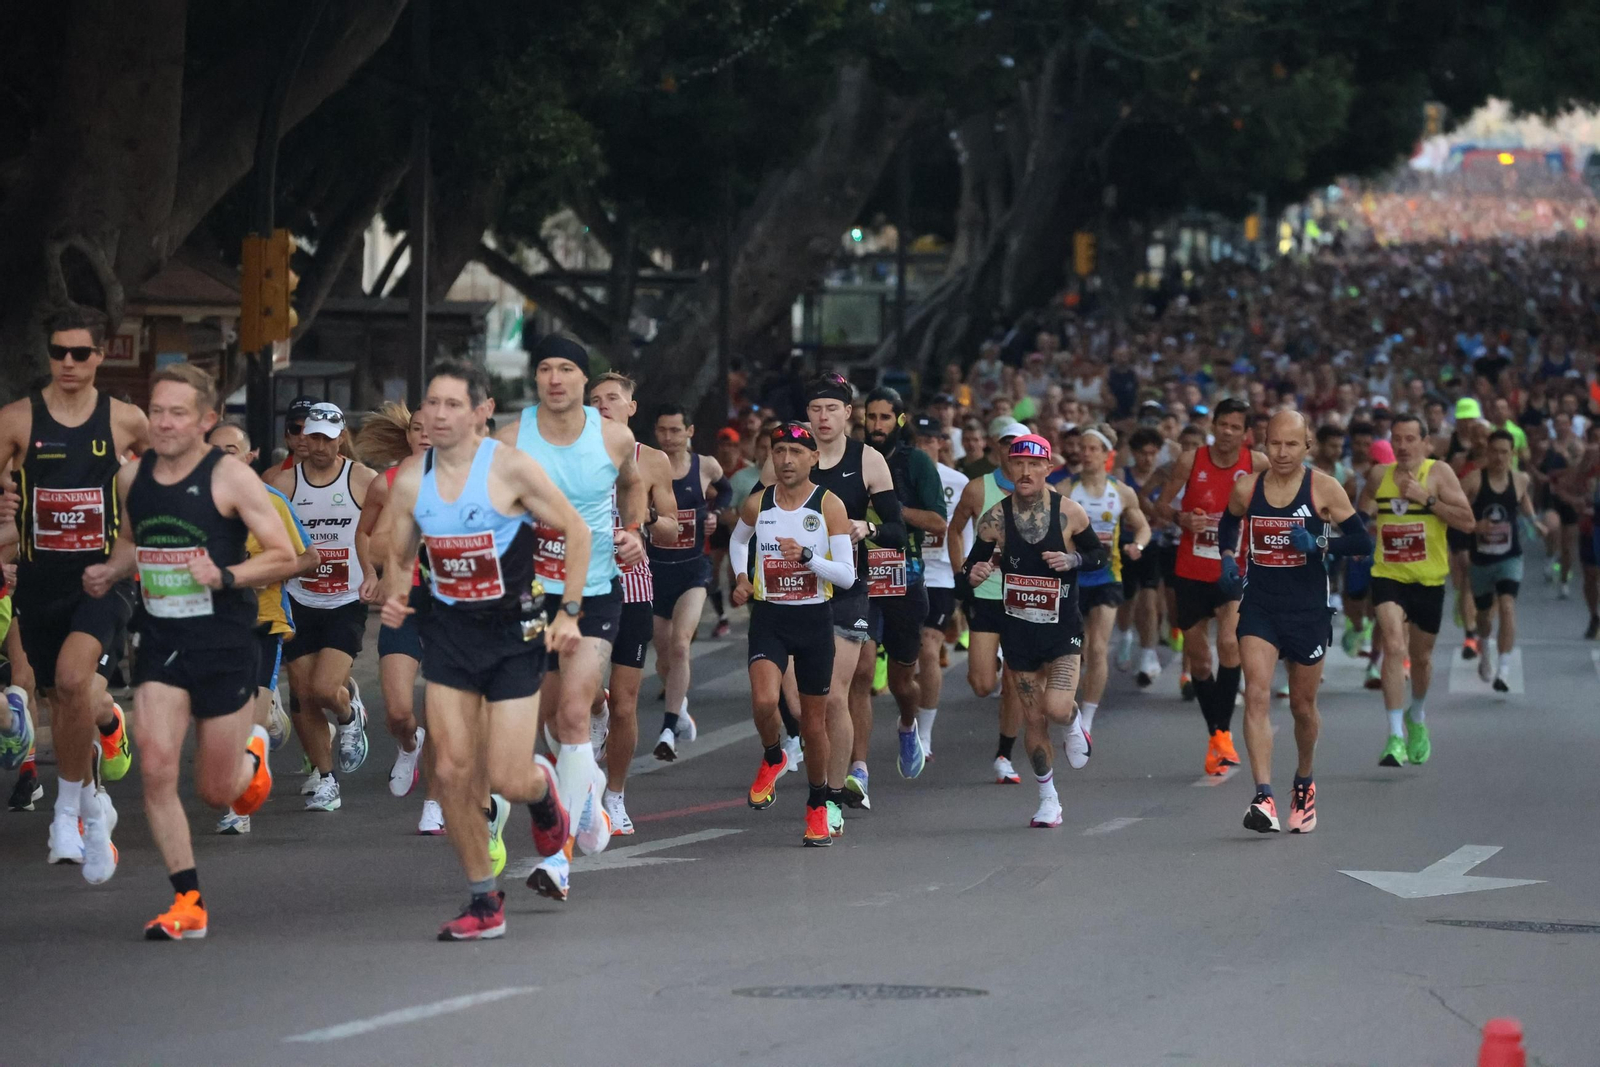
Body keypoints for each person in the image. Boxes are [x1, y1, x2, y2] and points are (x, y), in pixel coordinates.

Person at [82, 363, 293, 935]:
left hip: (224, 642)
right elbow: (132, 543)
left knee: (217, 792)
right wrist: (110, 570)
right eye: (157, 411)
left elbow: (283, 555)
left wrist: (224, 575)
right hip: (161, 640)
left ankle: (252, 755)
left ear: (206, 420)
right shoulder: (132, 478)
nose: (165, 423)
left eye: (178, 413)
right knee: (155, 768)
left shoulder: (231, 478)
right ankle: (188, 902)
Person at [377, 361, 579, 940]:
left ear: (480, 412)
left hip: (513, 635)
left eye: (452, 404)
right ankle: (483, 900)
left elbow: (577, 529)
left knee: (508, 778)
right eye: (431, 403)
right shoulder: (411, 479)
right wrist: (397, 595)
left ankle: (543, 796)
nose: (438, 415)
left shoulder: (509, 468)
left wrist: (568, 611)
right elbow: (399, 552)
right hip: (450, 635)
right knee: (451, 771)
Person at [501, 334, 648, 901]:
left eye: (566, 368)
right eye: (545, 368)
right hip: (529, 596)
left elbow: (632, 487)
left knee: (572, 713)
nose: (555, 378)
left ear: (585, 380)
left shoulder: (613, 437)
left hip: (595, 593)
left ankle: (557, 859)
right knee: (542, 725)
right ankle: (585, 800)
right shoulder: (510, 439)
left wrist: (632, 531)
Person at [0, 307, 147, 867]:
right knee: (60, 698)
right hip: (40, 582)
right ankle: (88, 803)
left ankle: (65, 817)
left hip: (103, 578)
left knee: (71, 679)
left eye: (80, 353)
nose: (67, 362)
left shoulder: (125, 420)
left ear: (100, 356)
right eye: (58, 351)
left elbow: (170, 475)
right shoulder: (17, 420)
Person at [1219, 411, 1370, 834]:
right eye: (1275, 444)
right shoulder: (1248, 488)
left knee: (1303, 706)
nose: (1282, 453)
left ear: (1307, 446)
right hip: (1261, 606)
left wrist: (1319, 542)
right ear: (1263, 444)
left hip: (1307, 610)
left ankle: (1304, 782)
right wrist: (1228, 557)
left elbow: (1362, 541)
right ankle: (1263, 796)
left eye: (1291, 444)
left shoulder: (1324, 487)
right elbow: (1228, 521)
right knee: (1256, 695)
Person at [963, 435, 1106, 828]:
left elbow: (1098, 555)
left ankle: (1074, 722)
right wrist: (973, 574)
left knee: (1056, 708)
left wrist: (1072, 559)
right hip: (1019, 630)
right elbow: (970, 568)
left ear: (1047, 469)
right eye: (1018, 464)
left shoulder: (1069, 513)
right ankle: (1048, 800)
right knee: (1033, 716)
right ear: (1009, 468)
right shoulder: (994, 518)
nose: (1025, 472)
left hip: (1062, 629)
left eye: (1033, 464)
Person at [730, 422, 856, 844]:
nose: (786, 460)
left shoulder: (829, 505)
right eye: (779, 451)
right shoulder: (758, 503)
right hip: (770, 617)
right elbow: (738, 541)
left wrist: (807, 558)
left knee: (813, 723)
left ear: (813, 458)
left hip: (814, 619)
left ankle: (818, 805)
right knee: (765, 700)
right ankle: (773, 755)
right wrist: (741, 577)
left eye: (796, 452)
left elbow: (847, 575)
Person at [206, 422, 322, 835]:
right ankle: (269, 720)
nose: (221, 459)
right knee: (221, 720)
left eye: (230, 451)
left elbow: (309, 558)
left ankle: (238, 809)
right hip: (210, 627)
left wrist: (261, 573)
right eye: (213, 451)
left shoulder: (270, 500)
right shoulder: (193, 503)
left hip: (262, 623)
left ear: (250, 456)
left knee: (244, 724)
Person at [797, 373, 905, 811]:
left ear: (847, 414)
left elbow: (897, 529)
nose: (823, 417)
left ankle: (835, 793)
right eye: (815, 409)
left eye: (831, 409)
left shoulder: (868, 459)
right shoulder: (791, 456)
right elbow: (754, 514)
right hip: (797, 591)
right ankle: (817, 770)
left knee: (835, 694)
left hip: (848, 588)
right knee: (804, 703)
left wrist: (868, 527)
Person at [268, 402, 377, 812]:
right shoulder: (282, 483)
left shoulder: (363, 479)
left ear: (342, 438)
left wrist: (376, 572)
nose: (319, 446)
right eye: (312, 437)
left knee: (324, 688)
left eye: (327, 438)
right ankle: (327, 780)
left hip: (346, 599)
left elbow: (387, 530)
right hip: (299, 598)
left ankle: (348, 716)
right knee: (303, 694)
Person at [1154, 398, 1266, 775]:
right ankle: (1216, 735)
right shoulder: (1191, 460)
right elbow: (1160, 506)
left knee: (1230, 643)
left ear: (1246, 433)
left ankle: (1223, 734)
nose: (1228, 433)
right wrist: (1182, 518)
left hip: (1233, 568)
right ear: (1213, 426)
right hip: (1190, 570)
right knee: (1200, 661)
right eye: (1223, 425)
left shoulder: (1257, 463)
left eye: (1236, 427)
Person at [588, 373, 680, 833]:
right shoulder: (571, 457)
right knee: (585, 692)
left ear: (631, 407)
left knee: (626, 703)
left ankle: (615, 795)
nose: (603, 405)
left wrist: (644, 524)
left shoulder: (653, 460)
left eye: (612, 398)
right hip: (583, 586)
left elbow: (673, 530)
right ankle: (596, 710)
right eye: (594, 400)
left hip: (632, 588)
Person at [1359, 413, 1476, 768]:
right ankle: (1395, 736)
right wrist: (1357, 530)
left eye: (1410, 439)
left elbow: (1468, 522)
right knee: (1394, 647)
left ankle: (1417, 715)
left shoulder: (1439, 473)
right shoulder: (1379, 476)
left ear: (1426, 443)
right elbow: (1360, 513)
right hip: (1388, 575)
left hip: (1428, 580)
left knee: (1421, 658)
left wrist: (1427, 500)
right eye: (1397, 438)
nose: (1403, 445)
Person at [354, 403, 443, 831]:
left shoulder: (472, 481)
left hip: (451, 607)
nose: (424, 435)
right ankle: (409, 744)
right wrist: (373, 573)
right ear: (407, 436)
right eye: (416, 428)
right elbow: (367, 537)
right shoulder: (390, 482)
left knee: (442, 710)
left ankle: (435, 804)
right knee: (398, 712)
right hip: (403, 602)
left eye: (433, 428)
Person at [859, 387, 945, 782]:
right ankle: (857, 769)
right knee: (861, 672)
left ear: (899, 420)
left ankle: (908, 725)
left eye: (884, 417)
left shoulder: (916, 462)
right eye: (871, 417)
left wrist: (892, 509)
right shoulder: (853, 459)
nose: (876, 425)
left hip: (903, 580)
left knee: (901, 682)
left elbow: (938, 522)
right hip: (859, 578)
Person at [648, 403, 728, 759]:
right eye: (662, 430)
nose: (668, 438)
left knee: (681, 645)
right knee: (663, 658)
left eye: (675, 430)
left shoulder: (704, 466)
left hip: (693, 569)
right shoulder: (646, 466)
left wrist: (714, 514)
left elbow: (725, 491)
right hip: (654, 571)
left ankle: (667, 731)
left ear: (689, 432)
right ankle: (678, 709)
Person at [949, 421, 1027, 783]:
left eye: (1019, 446)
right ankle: (990, 660)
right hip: (986, 594)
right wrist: (961, 572)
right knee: (982, 685)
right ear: (997, 448)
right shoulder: (978, 488)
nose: (1013, 452)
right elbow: (954, 529)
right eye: (1007, 445)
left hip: (1024, 598)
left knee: (1014, 680)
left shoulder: (1043, 492)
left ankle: (1004, 755)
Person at [1068, 425, 1149, 743]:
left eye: (1093, 449)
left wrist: (1137, 546)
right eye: (1082, 448)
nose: (1085, 453)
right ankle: (1069, 709)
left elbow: (1142, 527)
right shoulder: (1065, 489)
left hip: (1107, 577)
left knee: (1098, 647)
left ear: (1106, 455)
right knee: (1075, 651)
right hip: (1073, 578)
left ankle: (1087, 719)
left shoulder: (1122, 492)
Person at [1460, 430, 1537, 693]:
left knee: (1507, 606)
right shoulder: (1474, 480)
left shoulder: (1520, 479)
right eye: (1495, 451)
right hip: (1481, 559)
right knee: (1483, 616)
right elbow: (1455, 509)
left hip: (1509, 557)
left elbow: (1524, 501)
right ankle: (1484, 648)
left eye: (1505, 452)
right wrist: (1474, 526)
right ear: (1487, 452)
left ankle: (1503, 669)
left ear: (1512, 454)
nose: (1499, 457)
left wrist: (1535, 522)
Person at [910, 416, 967, 759]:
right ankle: (909, 721)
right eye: (917, 441)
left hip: (941, 576)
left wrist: (964, 574)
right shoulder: (896, 477)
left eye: (928, 441)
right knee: (906, 659)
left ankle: (925, 733)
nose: (922, 447)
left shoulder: (957, 482)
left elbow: (964, 530)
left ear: (941, 443)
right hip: (903, 574)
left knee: (929, 649)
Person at [1114, 427, 1164, 684]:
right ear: (1134, 453)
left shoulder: (1163, 479)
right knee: (1127, 600)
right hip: (1125, 544)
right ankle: (1125, 635)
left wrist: (1159, 517)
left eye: (1153, 453)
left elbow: (1167, 512)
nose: (1148, 458)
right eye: (1143, 453)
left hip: (1152, 545)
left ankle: (1147, 654)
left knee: (1149, 601)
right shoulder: (1123, 477)